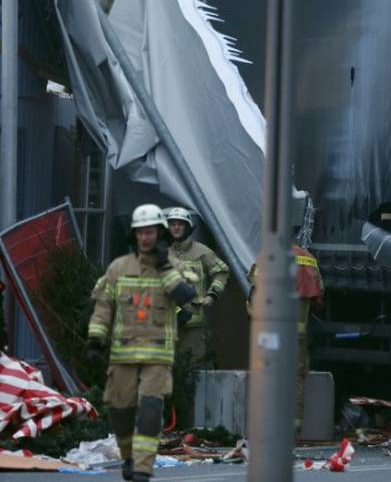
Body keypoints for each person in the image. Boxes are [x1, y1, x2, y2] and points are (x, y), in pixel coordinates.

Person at [85, 204, 199, 482]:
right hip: (123, 356)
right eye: (141, 233)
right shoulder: (118, 268)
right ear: (134, 235)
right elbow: (103, 307)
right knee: (121, 412)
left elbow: (187, 296)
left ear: (159, 234)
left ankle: (142, 470)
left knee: (150, 412)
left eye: (150, 232)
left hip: (157, 357)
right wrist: (96, 339)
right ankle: (128, 457)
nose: (146, 238)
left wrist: (165, 268)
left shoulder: (172, 266)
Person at [246, 244, 324, 436]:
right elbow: (320, 291)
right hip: (297, 337)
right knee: (296, 377)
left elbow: (256, 284)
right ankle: (293, 426)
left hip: (272, 335)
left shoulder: (269, 254)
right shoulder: (308, 258)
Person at [165, 207, 230, 368]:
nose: (176, 227)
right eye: (173, 224)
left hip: (193, 325)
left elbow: (221, 272)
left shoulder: (202, 252)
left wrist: (212, 295)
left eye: (181, 224)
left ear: (188, 227)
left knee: (192, 370)